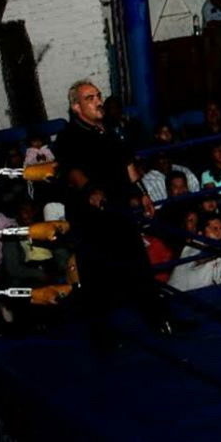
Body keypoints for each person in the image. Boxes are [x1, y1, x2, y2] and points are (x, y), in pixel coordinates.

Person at [52, 80, 164, 328]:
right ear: (76, 107)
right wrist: (90, 190)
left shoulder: (111, 130)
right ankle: (103, 335)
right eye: (90, 98)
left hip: (119, 210)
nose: (98, 102)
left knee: (139, 265)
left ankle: (158, 319)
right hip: (90, 218)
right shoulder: (69, 136)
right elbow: (72, 170)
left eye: (98, 96)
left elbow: (128, 166)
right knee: (96, 275)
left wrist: (143, 193)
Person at [168, 214, 221, 293]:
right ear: (201, 233)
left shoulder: (217, 252)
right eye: (215, 229)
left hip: (199, 297)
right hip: (175, 298)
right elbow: (203, 257)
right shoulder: (193, 246)